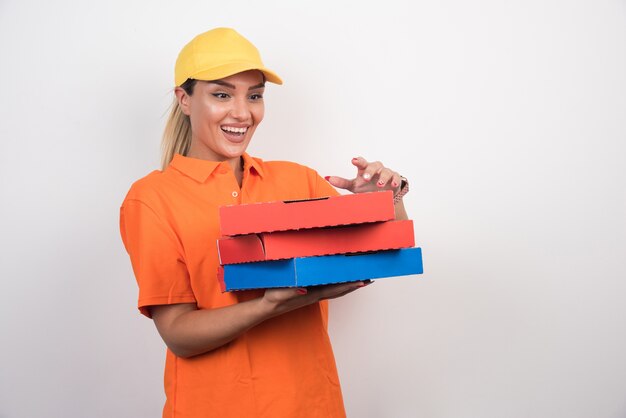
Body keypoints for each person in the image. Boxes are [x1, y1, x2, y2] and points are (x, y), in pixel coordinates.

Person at [120, 27, 410, 418]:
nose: (243, 113)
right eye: (222, 94)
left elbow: (390, 252)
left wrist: (383, 202)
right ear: (185, 100)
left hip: (312, 405)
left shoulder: (297, 180)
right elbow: (178, 334)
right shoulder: (152, 199)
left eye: (254, 95)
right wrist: (269, 304)